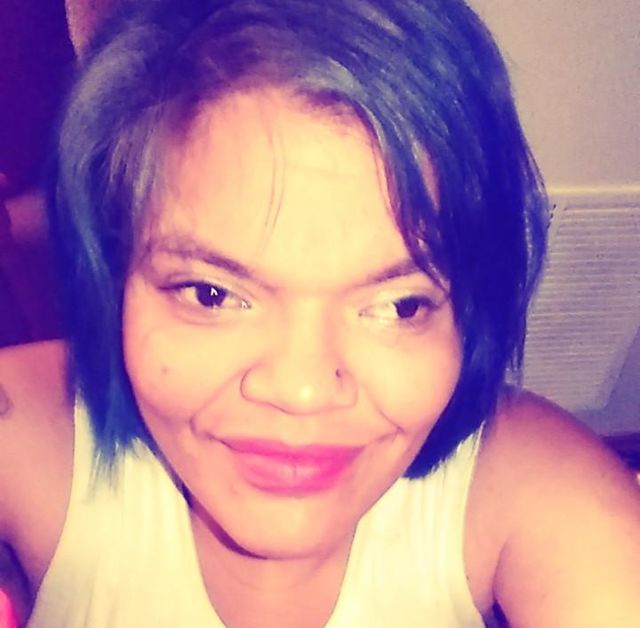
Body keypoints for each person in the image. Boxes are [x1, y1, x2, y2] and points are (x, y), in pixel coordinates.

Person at [0, 0, 639, 625]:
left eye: (399, 306)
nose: (302, 392)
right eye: (212, 294)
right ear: (114, 282)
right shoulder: (32, 435)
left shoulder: (542, 492)